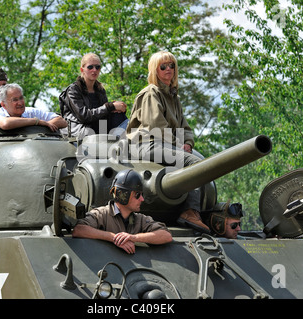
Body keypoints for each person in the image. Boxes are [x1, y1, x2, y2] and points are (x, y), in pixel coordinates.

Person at [126, 51, 209, 234]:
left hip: (166, 145)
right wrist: (179, 146)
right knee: (195, 164)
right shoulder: (151, 93)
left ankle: (194, 211)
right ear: (155, 70)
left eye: (171, 65)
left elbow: (185, 127)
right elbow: (157, 126)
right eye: (163, 66)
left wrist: (187, 143)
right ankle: (190, 212)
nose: (168, 69)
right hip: (145, 145)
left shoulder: (173, 97)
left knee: (202, 161)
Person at [72, 169, 172, 254]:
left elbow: (166, 236)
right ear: (123, 195)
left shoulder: (140, 219)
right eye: (137, 195)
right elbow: (79, 230)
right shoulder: (101, 214)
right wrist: (114, 238)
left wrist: (133, 237)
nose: (142, 199)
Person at [59, 53, 128, 138]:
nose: (94, 70)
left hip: (98, 127)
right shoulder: (73, 90)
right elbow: (84, 116)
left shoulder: (100, 90)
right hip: (80, 130)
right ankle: (112, 143)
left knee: (119, 117)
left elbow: (103, 113)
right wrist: (110, 107)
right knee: (90, 131)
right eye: (90, 67)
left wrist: (116, 109)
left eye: (97, 67)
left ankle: (119, 144)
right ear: (82, 69)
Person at [0, 83, 67, 131]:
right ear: (3, 104)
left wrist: (44, 127)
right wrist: (37, 122)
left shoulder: (31, 112)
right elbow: (6, 123)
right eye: (14, 100)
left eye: (21, 98)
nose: (20, 103)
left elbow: (62, 121)